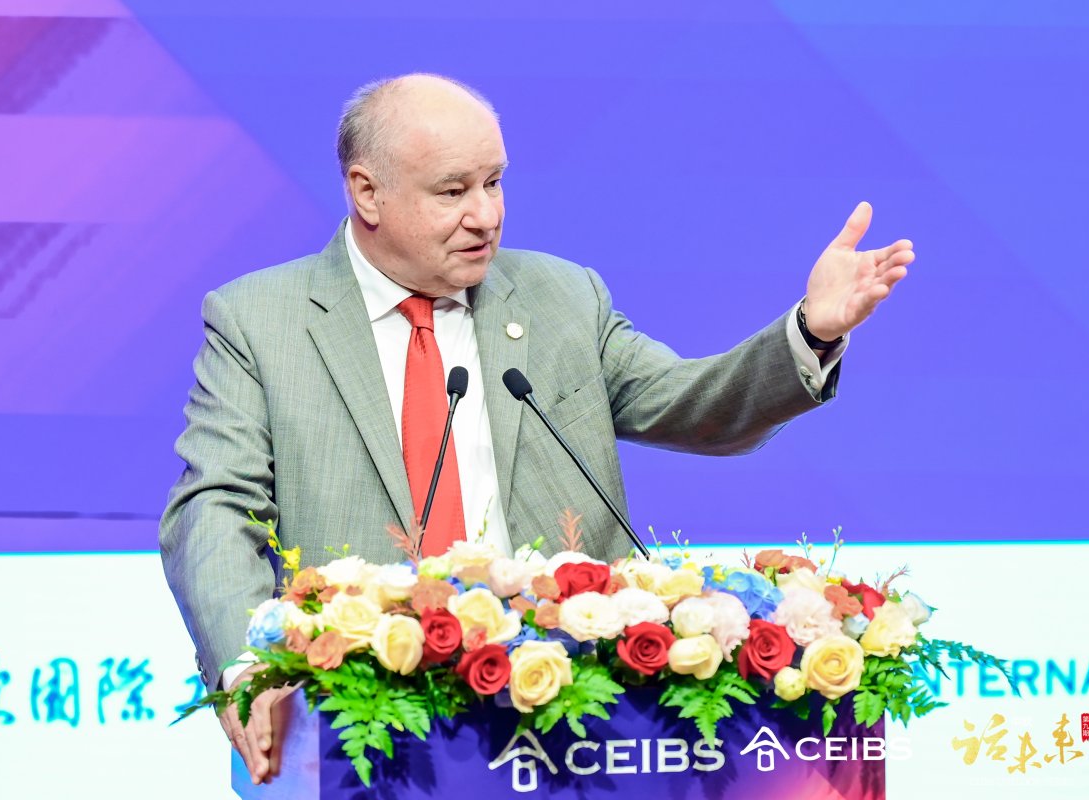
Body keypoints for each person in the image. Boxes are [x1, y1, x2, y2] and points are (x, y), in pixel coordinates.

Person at [159, 73, 914, 785]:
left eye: (494, 182)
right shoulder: (260, 322)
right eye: (453, 190)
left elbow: (695, 407)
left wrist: (810, 332)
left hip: (570, 725)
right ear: (367, 192)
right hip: (365, 728)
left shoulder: (561, 297)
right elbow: (213, 508)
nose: (485, 214)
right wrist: (249, 668)